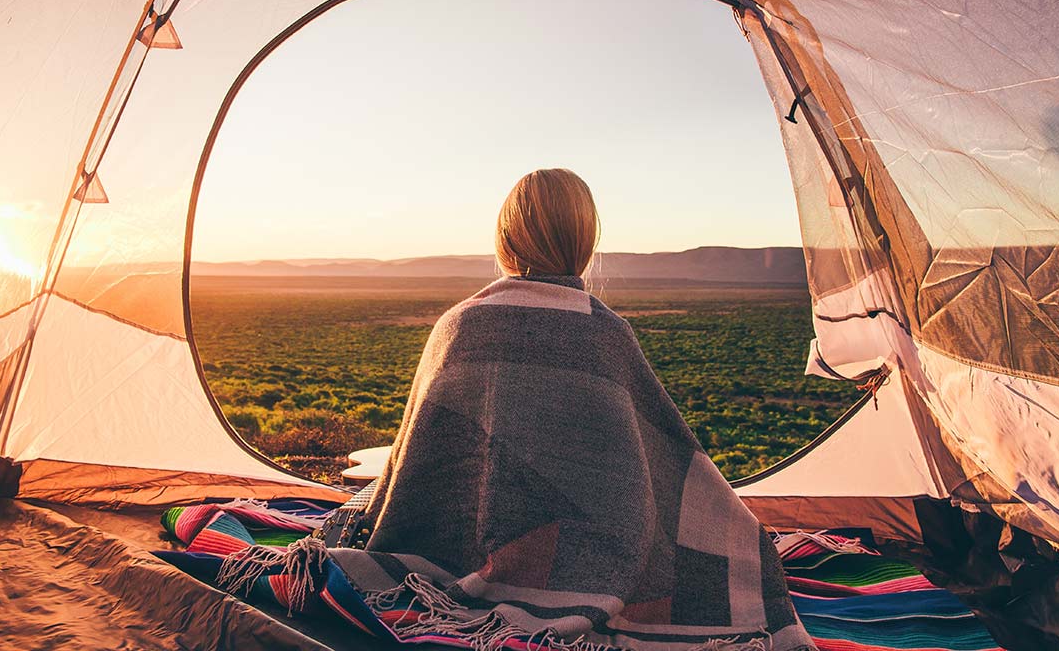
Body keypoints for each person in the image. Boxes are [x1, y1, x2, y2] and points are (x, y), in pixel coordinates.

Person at [326, 169, 815, 651]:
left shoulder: (458, 325)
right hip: (596, 554)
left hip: (449, 549)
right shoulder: (604, 334)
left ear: (505, 239)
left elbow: (417, 469)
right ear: (584, 241)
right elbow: (661, 462)